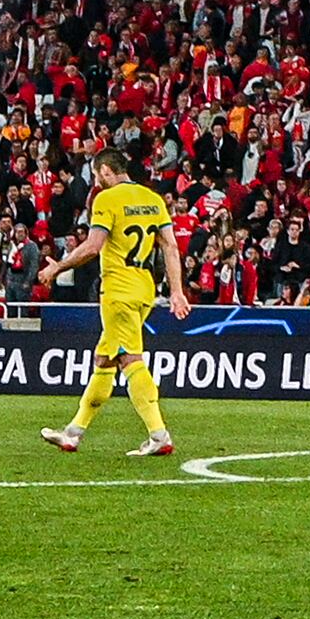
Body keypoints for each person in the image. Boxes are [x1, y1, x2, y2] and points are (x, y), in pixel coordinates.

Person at [38, 149, 184, 459]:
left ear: (105, 171)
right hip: (145, 290)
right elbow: (170, 246)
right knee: (104, 360)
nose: (96, 181)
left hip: (118, 291)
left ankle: (159, 434)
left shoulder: (106, 199)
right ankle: (73, 433)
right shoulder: (153, 199)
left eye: (95, 174)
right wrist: (178, 291)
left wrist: (56, 268)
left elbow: (92, 247)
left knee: (131, 360)